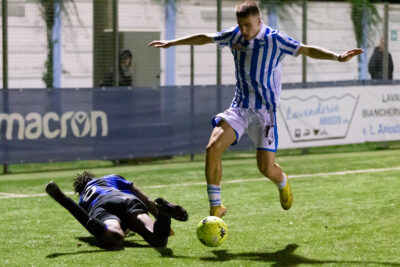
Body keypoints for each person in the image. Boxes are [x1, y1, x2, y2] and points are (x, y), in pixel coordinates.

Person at [148, 0, 363, 218]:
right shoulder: (235, 35)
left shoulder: (275, 39)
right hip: (240, 107)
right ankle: (216, 206)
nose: (243, 30)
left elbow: (305, 49)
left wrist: (338, 57)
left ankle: (282, 181)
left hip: (264, 114)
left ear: (259, 21)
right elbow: (206, 37)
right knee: (212, 148)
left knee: (265, 168)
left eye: (248, 25)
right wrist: (171, 43)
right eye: (240, 25)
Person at [45, 171, 188, 249]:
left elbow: (96, 225)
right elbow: (147, 200)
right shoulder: (111, 178)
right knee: (159, 240)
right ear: (93, 178)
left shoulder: (83, 199)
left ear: (80, 189)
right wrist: (158, 217)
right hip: (124, 199)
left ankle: (65, 201)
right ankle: (164, 215)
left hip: (100, 206)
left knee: (115, 237)